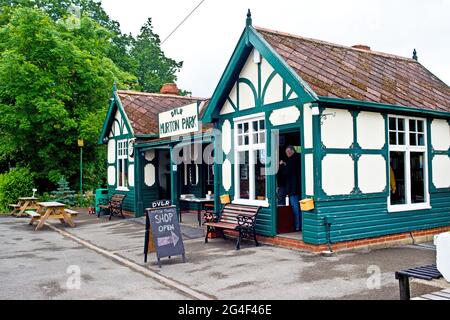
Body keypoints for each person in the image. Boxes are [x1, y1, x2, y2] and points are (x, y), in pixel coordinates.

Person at [280, 146, 301, 231]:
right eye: (286, 152)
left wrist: (282, 165)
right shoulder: (300, 158)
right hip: (300, 188)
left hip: (293, 189)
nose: (287, 153)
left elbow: (286, 172)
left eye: (289, 151)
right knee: (300, 208)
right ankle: (301, 225)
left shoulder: (291, 160)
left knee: (295, 208)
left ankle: (297, 226)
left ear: (293, 151)